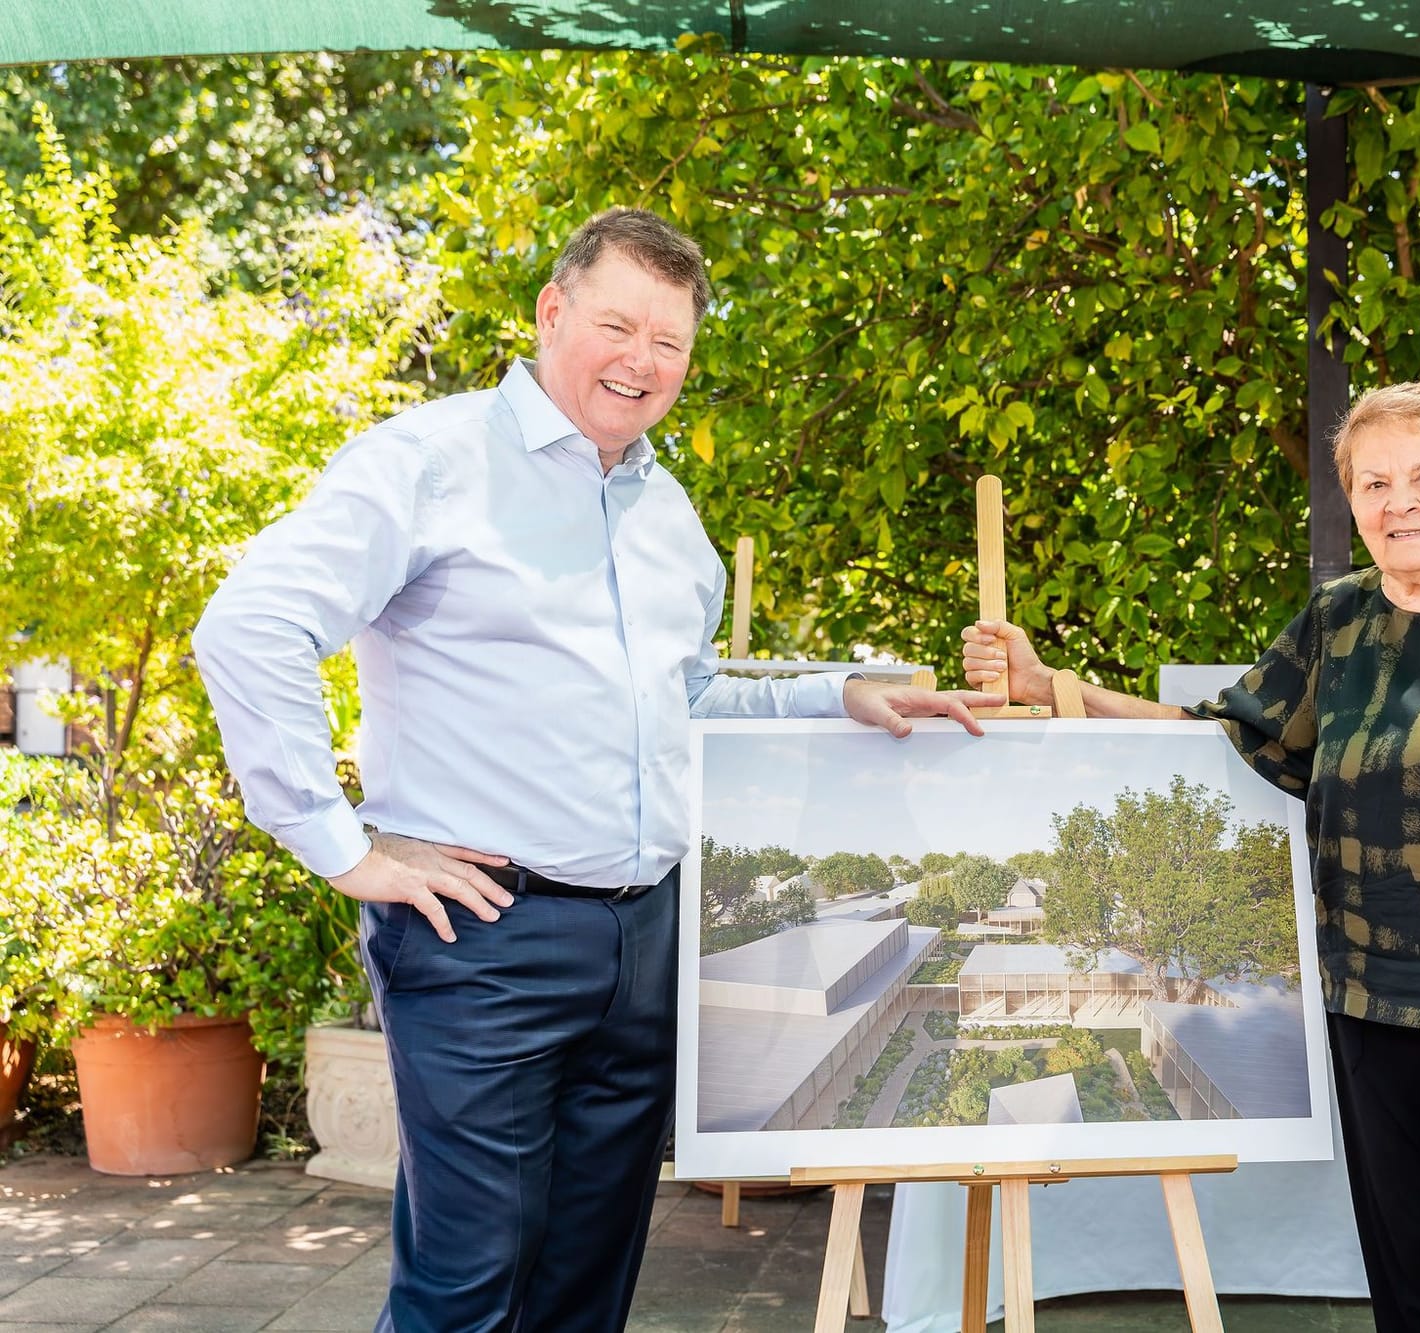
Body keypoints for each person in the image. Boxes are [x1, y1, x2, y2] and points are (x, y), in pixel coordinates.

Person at [195, 206, 991, 1333]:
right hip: (484, 937)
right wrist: (340, 845)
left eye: (670, 343)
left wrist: (835, 692)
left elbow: (686, 699)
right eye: (618, 325)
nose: (642, 361)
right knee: (466, 1290)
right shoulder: (429, 461)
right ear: (551, 312)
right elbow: (249, 626)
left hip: (643, 942)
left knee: (586, 1290)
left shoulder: (668, 513)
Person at [961, 381, 1420, 1332]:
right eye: (1374, 482)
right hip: (1373, 1020)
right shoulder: (1340, 622)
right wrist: (1048, 682)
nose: (1401, 502)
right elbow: (1219, 737)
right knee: (1413, 1301)